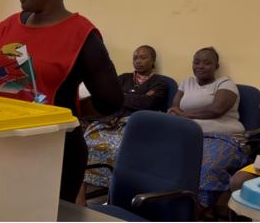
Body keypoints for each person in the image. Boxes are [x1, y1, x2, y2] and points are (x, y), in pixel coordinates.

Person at [0, 0, 124, 204]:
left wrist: (68, 112)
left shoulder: (81, 34)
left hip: (54, 151)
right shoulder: (8, 26)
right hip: (1, 144)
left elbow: (111, 100)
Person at [167, 47, 247, 212]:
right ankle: (166, 205)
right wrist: (179, 115)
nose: (200, 66)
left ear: (216, 66)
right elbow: (174, 108)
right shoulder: (186, 82)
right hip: (189, 136)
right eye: (196, 62)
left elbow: (216, 110)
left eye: (207, 62)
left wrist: (183, 115)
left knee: (205, 169)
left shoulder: (225, 83)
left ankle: (196, 211)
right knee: (163, 160)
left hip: (223, 137)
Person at [83, 45, 168, 190]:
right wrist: (134, 98)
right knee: (86, 142)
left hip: (136, 125)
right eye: (135, 58)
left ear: (153, 60)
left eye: (143, 57)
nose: (138, 61)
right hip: (111, 121)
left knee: (117, 149)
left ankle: (116, 188)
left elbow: (147, 103)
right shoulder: (124, 78)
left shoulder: (160, 82)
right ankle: (85, 188)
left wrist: (122, 97)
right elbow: (109, 99)